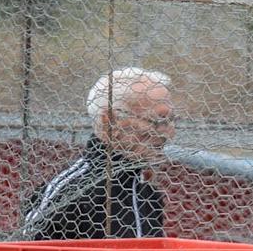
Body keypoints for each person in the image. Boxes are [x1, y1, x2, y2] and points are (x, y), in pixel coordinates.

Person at [18, 68, 174, 240]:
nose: (168, 133)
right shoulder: (73, 192)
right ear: (111, 122)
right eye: (158, 121)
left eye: (171, 120)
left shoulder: (148, 195)